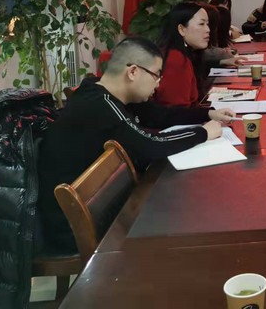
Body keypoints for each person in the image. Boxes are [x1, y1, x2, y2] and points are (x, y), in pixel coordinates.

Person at [37, 36, 235, 251]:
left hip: (102, 208)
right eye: (156, 75)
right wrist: (203, 133)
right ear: (133, 72)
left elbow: (160, 115)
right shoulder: (101, 106)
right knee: (190, 214)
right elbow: (150, 145)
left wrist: (207, 113)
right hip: (75, 228)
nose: (158, 83)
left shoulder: (102, 90)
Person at [154, 2, 213, 107]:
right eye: (201, 24)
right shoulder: (175, 59)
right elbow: (178, 109)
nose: (208, 30)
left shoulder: (185, 54)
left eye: (207, 24)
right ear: (181, 29)